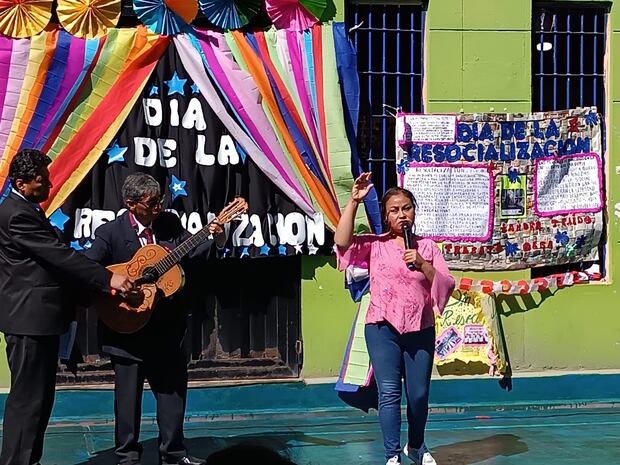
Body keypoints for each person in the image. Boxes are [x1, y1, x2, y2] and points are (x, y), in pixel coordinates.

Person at [0, 149, 133, 465]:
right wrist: (107, 278)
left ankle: (29, 459)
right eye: (41, 180)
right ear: (21, 183)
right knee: (28, 400)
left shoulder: (26, 209)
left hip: (40, 319)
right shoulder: (16, 214)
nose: (48, 185)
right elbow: (58, 255)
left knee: (40, 399)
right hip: (29, 320)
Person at [84, 172, 225, 465]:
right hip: (126, 326)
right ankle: (127, 456)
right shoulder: (110, 233)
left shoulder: (169, 223)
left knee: (172, 392)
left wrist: (216, 238)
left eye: (160, 201)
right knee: (127, 398)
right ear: (131, 203)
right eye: (151, 203)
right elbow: (90, 270)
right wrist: (117, 284)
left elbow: (192, 255)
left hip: (166, 327)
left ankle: (173, 453)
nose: (158, 207)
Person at [334, 173, 455, 465]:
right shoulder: (375, 245)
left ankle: (416, 446)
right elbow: (341, 241)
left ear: (414, 211)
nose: (401, 215)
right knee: (389, 392)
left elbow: (446, 284)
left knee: (418, 394)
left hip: (420, 327)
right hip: (382, 327)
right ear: (386, 217)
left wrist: (423, 265)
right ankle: (392, 454)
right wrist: (354, 201)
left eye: (406, 208)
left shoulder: (428, 247)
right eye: (394, 210)